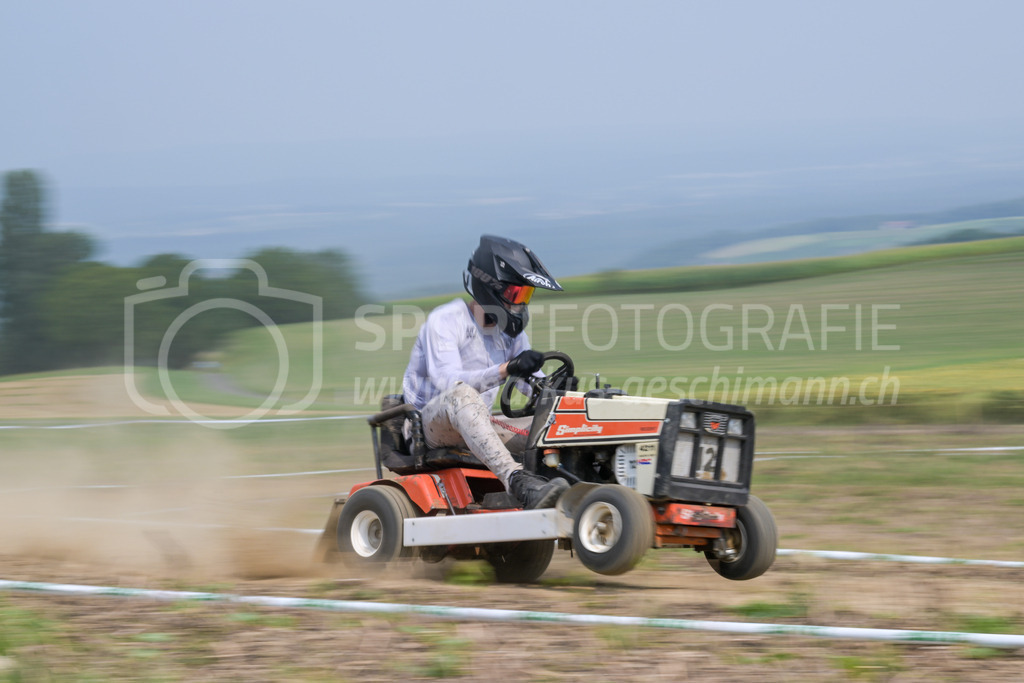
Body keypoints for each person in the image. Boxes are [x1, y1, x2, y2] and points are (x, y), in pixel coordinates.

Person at [402, 235, 570, 509]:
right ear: (490, 286)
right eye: (515, 294)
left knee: (558, 422)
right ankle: (517, 481)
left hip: (477, 424)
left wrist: (556, 393)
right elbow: (448, 384)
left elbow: (532, 384)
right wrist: (506, 369)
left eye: (525, 295)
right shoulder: (445, 320)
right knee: (463, 395)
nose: (520, 304)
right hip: (427, 426)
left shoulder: (511, 335)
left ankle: (575, 489)